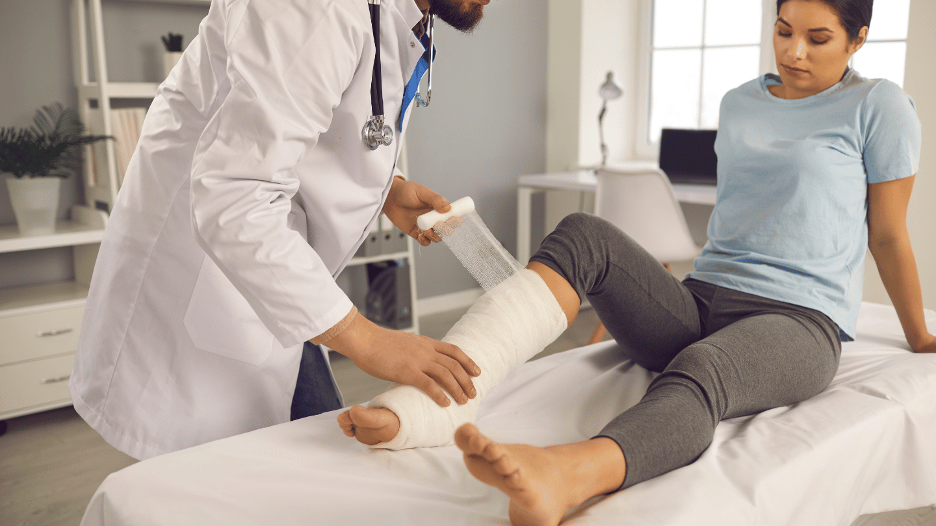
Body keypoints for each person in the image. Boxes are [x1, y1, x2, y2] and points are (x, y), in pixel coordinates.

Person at [338, 0, 935, 523]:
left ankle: (565, 476)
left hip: (798, 320)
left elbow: (887, 234)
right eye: (783, 31)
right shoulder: (741, 103)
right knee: (582, 234)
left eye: (819, 38)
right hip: (702, 298)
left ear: (857, 40)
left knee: (705, 368)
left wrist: (920, 335)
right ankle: (443, 398)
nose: (794, 51)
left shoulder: (879, 106)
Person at [69, 0, 494, 461]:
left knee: (319, 459)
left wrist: (388, 189)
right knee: (231, 480)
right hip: (201, 273)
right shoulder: (314, 6)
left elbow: (312, 122)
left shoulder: (397, 12)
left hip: (278, 278)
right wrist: (369, 340)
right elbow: (233, 197)